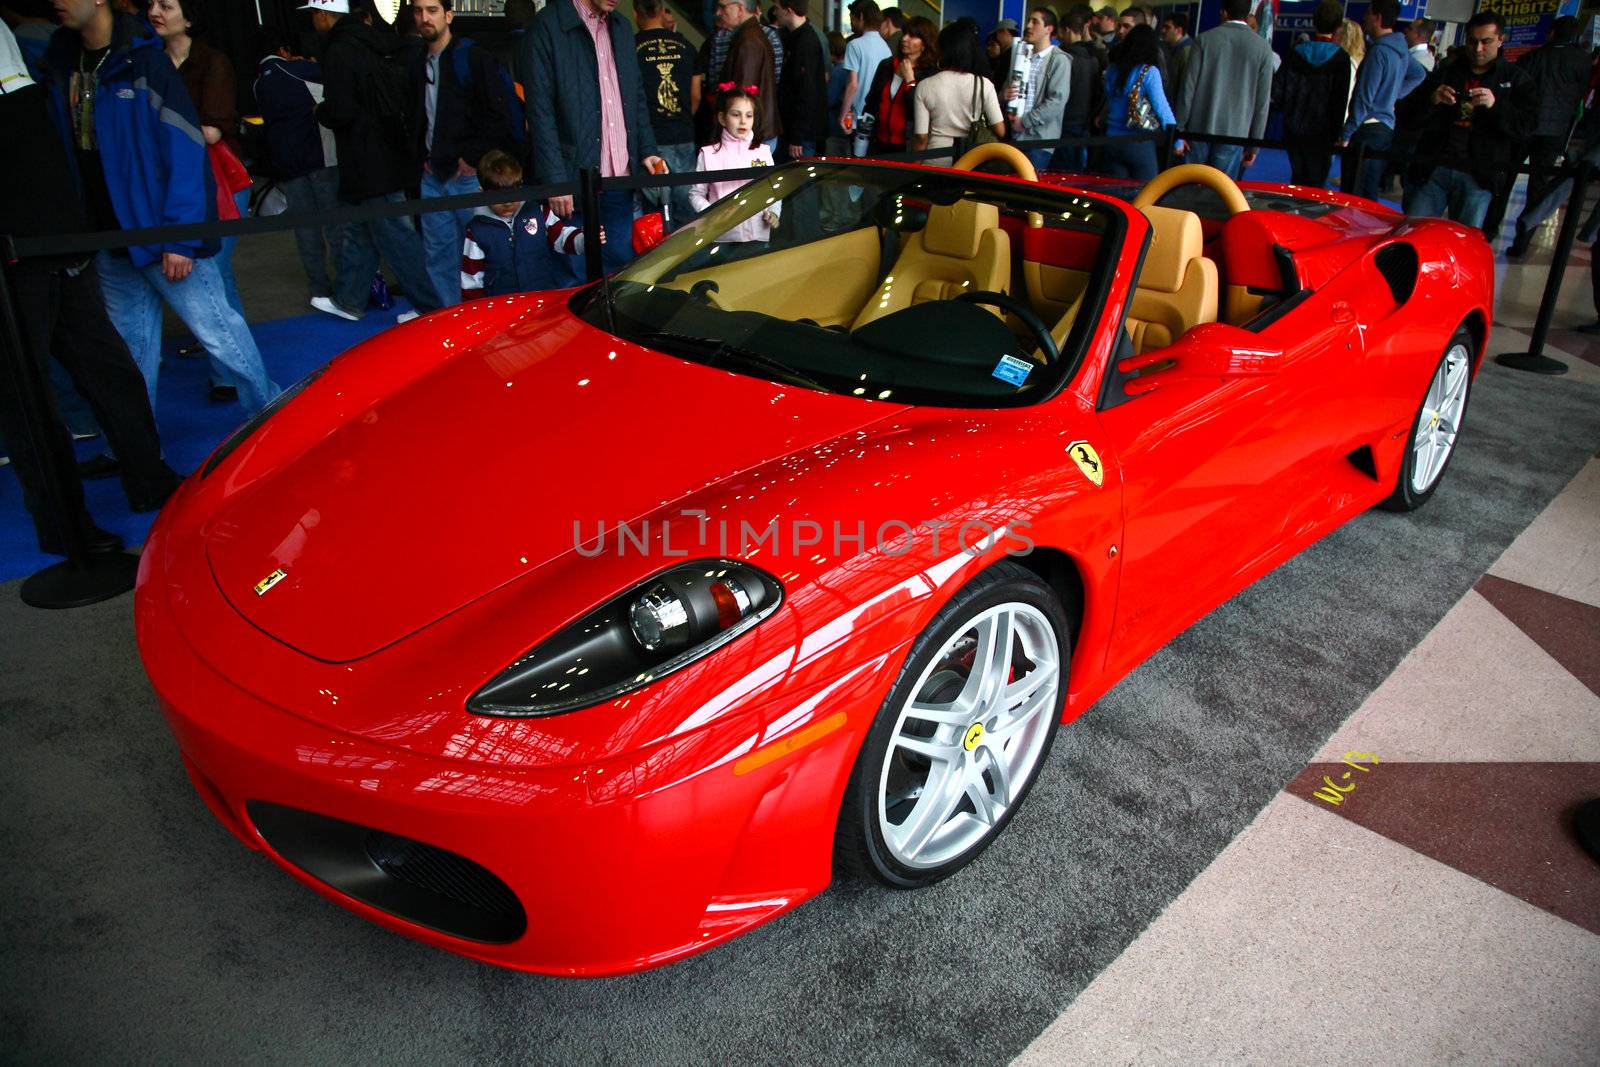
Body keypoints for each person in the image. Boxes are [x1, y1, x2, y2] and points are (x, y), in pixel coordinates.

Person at [38, 0, 279, 423]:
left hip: (159, 232)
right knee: (131, 350)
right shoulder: (59, 61)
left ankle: (273, 419)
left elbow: (186, 154)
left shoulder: (146, 63)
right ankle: (141, 456)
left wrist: (181, 237)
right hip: (109, 239)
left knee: (220, 334)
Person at [1, 18, 181, 554]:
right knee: (28, 401)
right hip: (18, 258)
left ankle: (148, 480)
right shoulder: (49, 57)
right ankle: (65, 528)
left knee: (112, 373)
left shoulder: (45, 54)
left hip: (61, 243)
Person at [307, 0, 442, 324]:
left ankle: (431, 307)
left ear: (325, 15)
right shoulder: (373, 41)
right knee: (360, 229)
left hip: (366, 159)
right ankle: (349, 299)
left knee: (396, 235)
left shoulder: (339, 50)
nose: (312, 20)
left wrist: (320, 111)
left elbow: (341, 109)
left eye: (313, 13)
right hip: (387, 153)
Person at [147, 0, 250, 403]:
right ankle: (227, 368)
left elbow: (212, 132)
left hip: (219, 184)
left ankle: (230, 373)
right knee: (215, 278)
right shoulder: (149, 61)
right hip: (176, 184)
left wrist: (157, 137)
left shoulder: (212, 61)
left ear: (188, 16)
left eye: (166, 5)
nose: (155, 11)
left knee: (214, 275)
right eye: (152, 4)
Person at [521, 0, 665, 274]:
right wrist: (555, 181)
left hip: (619, 176)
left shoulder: (621, 27)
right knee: (572, 279)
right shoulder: (548, 25)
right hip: (571, 178)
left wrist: (647, 148)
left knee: (619, 274)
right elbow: (540, 111)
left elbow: (635, 96)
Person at [411, 0, 511, 310]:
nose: (424, 17)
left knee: (485, 250)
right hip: (432, 174)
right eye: (418, 11)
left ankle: (487, 319)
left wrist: (471, 159)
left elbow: (499, 114)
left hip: (468, 177)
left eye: (432, 10)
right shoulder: (415, 61)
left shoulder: (473, 58)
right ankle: (449, 319)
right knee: (438, 255)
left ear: (448, 15)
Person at [1404, 11, 1534, 229]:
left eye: (1486, 41)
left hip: (1478, 175)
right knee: (1412, 233)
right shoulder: (1447, 71)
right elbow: (1408, 115)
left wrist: (1495, 106)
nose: (1478, 48)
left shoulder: (1516, 79)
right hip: (1434, 167)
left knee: (1466, 242)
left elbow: (1525, 128)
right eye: (1473, 41)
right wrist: (1433, 99)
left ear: (1500, 40)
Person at [254, 28, 344, 308]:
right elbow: (331, 75)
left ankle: (319, 289)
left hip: (287, 165)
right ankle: (346, 287)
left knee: (306, 231)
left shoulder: (257, 83)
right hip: (319, 158)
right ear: (283, 50)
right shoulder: (297, 70)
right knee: (335, 227)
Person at [1507, 16, 1591, 257]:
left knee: (1505, 178)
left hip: (1525, 127)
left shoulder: (1532, 57)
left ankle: (1489, 229)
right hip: (1555, 132)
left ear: (1553, 32)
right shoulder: (1582, 61)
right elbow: (1580, 95)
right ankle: (1522, 241)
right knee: (1538, 187)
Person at [1174, 0, 1272, 180]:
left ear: (1224, 13)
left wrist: (1178, 129)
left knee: (1188, 187)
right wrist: (1254, 145)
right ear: (1249, 13)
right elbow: (1262, 103)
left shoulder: (1203, 40)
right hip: (1235, 134)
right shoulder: (1263, 48)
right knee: (1220, 193)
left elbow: (1187, 89)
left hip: (1197, 130)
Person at [1338, 0, 1425, 202]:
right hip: (1385, 128)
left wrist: (1347, 132)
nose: (1364, 18)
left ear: (1377, 17)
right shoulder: (1399, 49)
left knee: (1354, 194)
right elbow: (1418, 74)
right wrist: (1393, 96)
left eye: (1368, 13)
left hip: (1367, 129)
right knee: (1368, 191)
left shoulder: (1379, 52)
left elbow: (1364, 96)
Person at [459, 149, 566, 298]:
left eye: (512, 194)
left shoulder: (538, 212)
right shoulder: (477, 231)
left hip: (544, 297)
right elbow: (471, 281)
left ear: (520, 188)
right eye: (500, 197)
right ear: (483, 192)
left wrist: (584, 238)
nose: (508, 203)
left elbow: (563, 237)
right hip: (502, 307)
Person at [689, 86, 780, 250]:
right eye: (736, 115)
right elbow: (696, 194)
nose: (743, 121)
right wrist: (713, 215)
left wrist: (773, 212)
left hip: (758, 236)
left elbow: (773, 190)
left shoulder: (763, 152)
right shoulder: (708, 154)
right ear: (722, 118)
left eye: (749, 115)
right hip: (720, 237)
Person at [1273, 0, 1349, 188]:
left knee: (1297, 177)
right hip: (1323, 133)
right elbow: (1340, 101)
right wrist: (1337, 132)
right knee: (1316, 181)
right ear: (1339, 25)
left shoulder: (1295, 53)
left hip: (1294, 127)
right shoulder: (1341, 59)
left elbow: (1278, 91)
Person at [634, 0, 695, 224]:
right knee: (688, 205)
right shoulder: (686, 45)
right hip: (684, 133)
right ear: (661, 10)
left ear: (635, 13)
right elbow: (695, 95)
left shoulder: (629, 48)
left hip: (651, 141)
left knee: (656, 211)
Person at [909, 20, 1004, 166]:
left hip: (936, 159)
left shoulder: (925, 86)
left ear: (942, 50)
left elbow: (921, 138)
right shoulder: (984, 85)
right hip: (971, 160)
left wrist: (915, 166)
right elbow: (1000, 130)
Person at [695, 0, 783, 147]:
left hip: (750, 135)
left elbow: (742, 97)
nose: (718, 13)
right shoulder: (748, 36)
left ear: (740, 9)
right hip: (754, 130)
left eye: (723, 7)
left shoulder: (748, 41)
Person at [1100, 24, 1176, 181]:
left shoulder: (1113, 70)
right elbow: (1162, 107)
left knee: (1116, 192)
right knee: (1145, 192)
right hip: (1138, 142)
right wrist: (1176, 137)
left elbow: (1108, 99)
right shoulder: (1149, 72)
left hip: (1110, 140)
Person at [1004, 7, 1071, 171]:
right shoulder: (1021, 55)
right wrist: (1004, 94)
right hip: (1015, 136)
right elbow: (1006, 88)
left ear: (1049, 29)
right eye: (1028, 21)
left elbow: (1057, 100)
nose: (1028, 26)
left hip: (1040, 139)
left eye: (1035, 22)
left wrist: (1025, 122)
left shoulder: (1059, 60)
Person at [861, 14, 934, 156]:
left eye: (912, 36)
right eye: (905, 34)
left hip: (906, 146)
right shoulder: (887, 65)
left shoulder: (929, 73)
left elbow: (920, 112)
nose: (905, 39)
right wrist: (863, 134)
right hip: (878, 143)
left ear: (924, 44)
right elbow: (871, 102)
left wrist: (910, 81)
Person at [773, 0, 827, 160]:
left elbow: (807, 92)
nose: (774, 13)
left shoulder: (806, 42)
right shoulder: (793, 37)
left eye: (777, 8)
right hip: (793, 130)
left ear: (788, 10)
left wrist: (797, 136)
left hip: (802, 135)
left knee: (798, 183)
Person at [1048, 12, 1100, 173]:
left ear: (1067, 30)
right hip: (1085, 121)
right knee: (1077, 170)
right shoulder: (1094, 58)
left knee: (1060, 170)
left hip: (1065, 120)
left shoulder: (1064, 58)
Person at [837, 0, 890, 137]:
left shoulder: (854, 45)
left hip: (857, 117)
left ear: (861, 16)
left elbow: (852, 84)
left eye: (852, 19)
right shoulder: (886, 47)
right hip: (876, 116)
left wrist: (843, 116)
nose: (851, 23)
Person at [1160, 11, 1192, 91]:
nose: (1163, 31)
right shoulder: (1174, 49)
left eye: (1167, 27)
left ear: (1179, 31)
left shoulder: (1186, 51)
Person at [985, 17, 1017, 90]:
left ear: (1004, 32)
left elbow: (997, 84)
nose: (997, 38)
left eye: (997, 34)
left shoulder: (1008, 56)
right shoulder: (1016, 52)